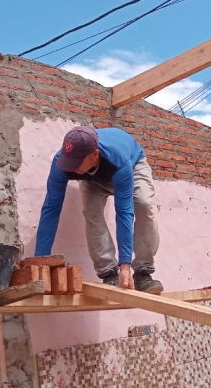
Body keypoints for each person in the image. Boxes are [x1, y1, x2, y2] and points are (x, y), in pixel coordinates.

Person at [34, 125, 163, 294]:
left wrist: (125, 265)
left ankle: (143, 273)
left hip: (131, 166)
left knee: (143, 203)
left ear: (94, 155)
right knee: (91, 210)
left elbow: (124, 213)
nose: (70, 167)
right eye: (69, 161)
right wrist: (39, 262)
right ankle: (108, 273)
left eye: (76, 163)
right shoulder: (62, 164)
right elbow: (51, 208)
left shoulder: (118, 160)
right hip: (92, 177)